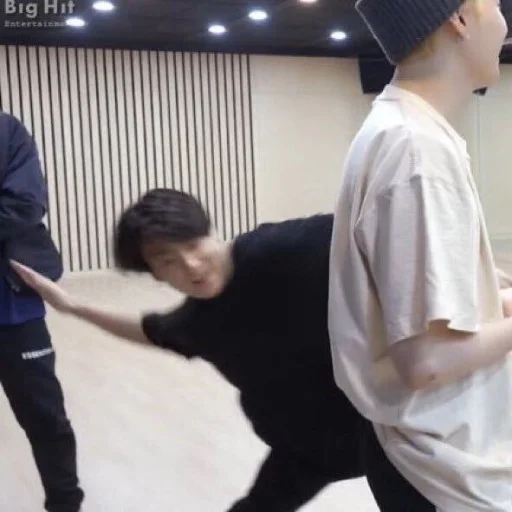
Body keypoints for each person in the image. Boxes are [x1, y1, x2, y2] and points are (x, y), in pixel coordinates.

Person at [11, 188, 369, 512]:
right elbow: (148, 331)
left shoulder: (283, 248)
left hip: (379, 430)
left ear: (211, 232)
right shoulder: (197, 323)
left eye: (194, 245)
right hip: (305, 450)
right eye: (168, 260)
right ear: (155, 273)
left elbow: (373, 231)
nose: (191, 265)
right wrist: (73, 306)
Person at [328, 0, 512, 511]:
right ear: (459, 19)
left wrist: (498, 298)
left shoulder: (405, 131)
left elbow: (429, 318)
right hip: (440, 471)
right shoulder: (416, 150)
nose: (504, 22)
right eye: (494, 4)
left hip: (430, 456)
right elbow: (427, 361)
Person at [0, 111, 84, 511]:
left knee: (45, 417)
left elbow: (25, 205)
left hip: (12, 304)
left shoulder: (7, 131)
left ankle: (65, 504)